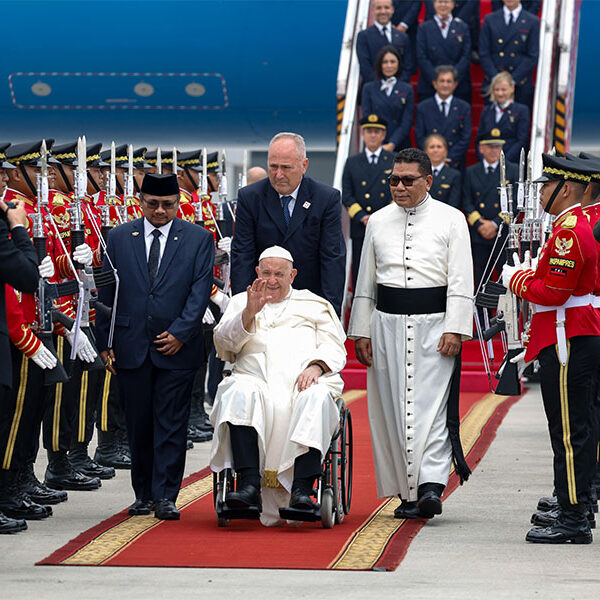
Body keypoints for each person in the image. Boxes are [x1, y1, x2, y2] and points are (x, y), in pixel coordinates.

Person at [348, 148, 473, 520]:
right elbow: (366, 280)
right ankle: (407, 491)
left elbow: (461, 277)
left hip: (435, 325)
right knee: (391, 408)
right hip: (385, 324)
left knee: (432, 409)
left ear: (428, 181)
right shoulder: (377, 222)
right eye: (393, 180)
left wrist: (456, 327)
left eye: (407, 180)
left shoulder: (452, 220)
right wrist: (360, 331)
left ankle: (431, 485)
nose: (398, 187)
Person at [96, 173, 214, 520]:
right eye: (152, 204)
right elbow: (107, 293)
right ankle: (143, 493)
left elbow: (199, 291)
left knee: (171, 423)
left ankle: (166, 495)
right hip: (131, 346)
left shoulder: (197, 238)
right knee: (139, 423)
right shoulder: (118, 237)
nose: (160, 211)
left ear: (178, 204)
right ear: (140, 201)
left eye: (167, 205)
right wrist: (105, 342)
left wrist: (181, 332)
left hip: (177, 348)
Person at [210, 246, 346, 526]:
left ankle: (302, 490)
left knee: (316, 397)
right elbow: (225, 344)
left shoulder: (315, 304)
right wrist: (249, 312)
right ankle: (248, 486)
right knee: (237, 391)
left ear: (292, 275)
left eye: (279, 274)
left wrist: (316, 366)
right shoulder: (240, 301)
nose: (272, 280)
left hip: (302, 381)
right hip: (254, 380)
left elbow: (335, 347)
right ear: (257, 272)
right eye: (267, 273)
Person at [504, 154, 600, 544]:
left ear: (567, 189)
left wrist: (517, 279)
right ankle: (572, 501)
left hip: (566, 338)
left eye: (546, 185)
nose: (541, 191)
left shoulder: (569, 230)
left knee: (569, 431)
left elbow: (554, 291)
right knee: (577, 426)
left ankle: (574, 517)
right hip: (571, 332)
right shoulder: (574, 225)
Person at [231, 132, 346, 315]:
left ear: (304, 165)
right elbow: (242, 255)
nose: (278, 175)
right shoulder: (250, 197)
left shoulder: (326, 199)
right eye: (273, 167)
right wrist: (241, 308)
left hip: (309, 302)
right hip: (262, 303)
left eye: (286, 167)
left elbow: (332, 258)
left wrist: (330, 312)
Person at [0, 146, 41, 534]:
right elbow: (25, 273)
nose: (6, 180)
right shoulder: (7, 217)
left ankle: (19, 478)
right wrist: (19, 229)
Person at [342, 114, 395, 288]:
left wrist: (382, 217)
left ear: (383, 135)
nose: (373, 135)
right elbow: (347, 195)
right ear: (362, 134)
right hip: (361, 226)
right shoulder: (352, 162)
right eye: (369, 131)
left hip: (388, 224)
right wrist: (363, 217)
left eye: (377, 132)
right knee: (361, 272)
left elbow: (398, 192)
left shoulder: (393, 160)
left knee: (387, 270)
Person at [462, 129, 518, 289]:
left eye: (497, 146)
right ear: (481, 149)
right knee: (480, 279)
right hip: (479, 235)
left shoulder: (512, 170)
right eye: (490, 147)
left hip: (502, 233)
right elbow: (466, 201)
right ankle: (480, 313)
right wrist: (480, 225)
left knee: (504, 278)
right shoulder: (471, 171)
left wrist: (494, 224)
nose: (494, 150)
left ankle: (503, 312)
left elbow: (514, 203)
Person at [479, 0, 540, 109]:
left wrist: (511, 81)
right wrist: (497, 80)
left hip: (519, 84)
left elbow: (532, 55)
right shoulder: (490, 19)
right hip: (494, 83)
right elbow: (484, 53)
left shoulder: (532, 21)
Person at [415, 65, 471, 171]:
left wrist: (449, 157)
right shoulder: (423, 107)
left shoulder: (464, 107)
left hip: (454, 163)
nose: (445, 85)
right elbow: (420, 136)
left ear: (455, 84)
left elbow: (465, 137)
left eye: (449, 81)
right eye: (442, 81)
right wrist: (434, 157)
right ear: (435, 84)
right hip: (430, 163)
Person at [361, 46, 415, 153]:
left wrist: (392, 144)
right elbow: (367, 117)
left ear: (399, 64)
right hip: (375, 145)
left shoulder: (407, 89)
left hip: (400, 145)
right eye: (385, 62)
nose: (389, 66)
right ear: (379, 65)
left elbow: (406, 122)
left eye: (393, 62)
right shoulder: (369, 88)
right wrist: (377, 142)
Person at [417, 0, 472, 104]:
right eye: (440, 1)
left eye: (446, 2)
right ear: (433, 4)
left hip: (458, 86)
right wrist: (437, 80)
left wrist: (452, 79)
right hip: (430, 86)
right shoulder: (424, 28)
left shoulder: (463, 27)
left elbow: (466, 56)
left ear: (453, 4)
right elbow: (421, 56)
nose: (443, 5)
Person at [476, 71, 530, 162]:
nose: (500, 94)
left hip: (511, 162)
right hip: (488, 163)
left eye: (503, 90)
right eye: (497, 90)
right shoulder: (487, 110)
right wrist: (485, 159)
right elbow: (479, 139)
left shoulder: (521, 110)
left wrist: (503, 160)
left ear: (512, 88)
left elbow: (521, 140)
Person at [356, 0, 414, 84]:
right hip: (374, 90)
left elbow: (408, 66)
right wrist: (381, 86)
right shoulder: (363, 36)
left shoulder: (403, 37)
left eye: (386, 8)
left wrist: (395, 86)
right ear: (373, 10)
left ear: (392, 10)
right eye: (379, 8)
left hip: (398, 89)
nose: (383, 11)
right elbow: (365, 66)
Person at [424, 134, 462, 208]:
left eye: (439, 147)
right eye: (432, 147)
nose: (435, 150)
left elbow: (454, 204)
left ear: (446, 152)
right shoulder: (420, 173)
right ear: (426, 152)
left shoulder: (454, 175)